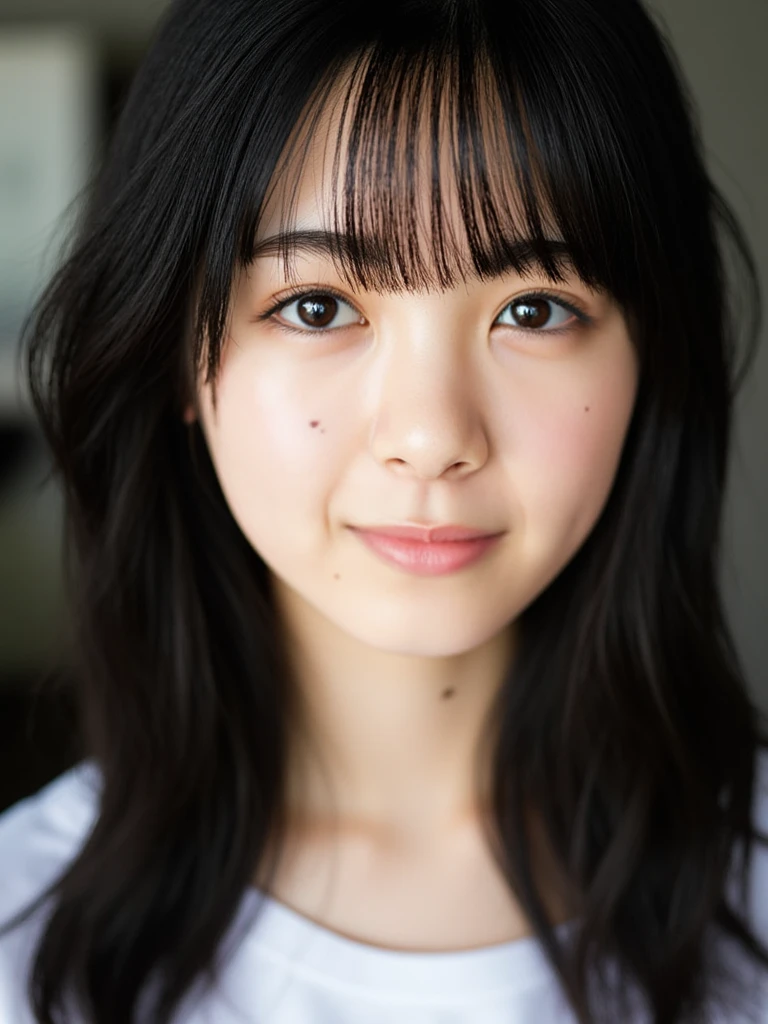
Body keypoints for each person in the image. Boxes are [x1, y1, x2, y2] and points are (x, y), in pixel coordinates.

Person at [0, 0, 767, 1020]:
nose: (431, 432)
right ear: (174, 350)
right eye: (317, 306)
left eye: (531, 309)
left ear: (649, 353)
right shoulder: (23, 941)